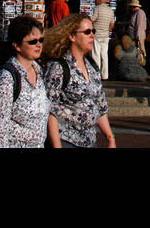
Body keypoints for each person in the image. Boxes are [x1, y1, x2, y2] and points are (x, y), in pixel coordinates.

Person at [42, 13, 117, 148]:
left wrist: (110, 137)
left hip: (89, 141)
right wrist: (56, 145)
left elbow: (100, 105)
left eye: (93, 31)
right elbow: (49, 110)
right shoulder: (59, 67)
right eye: (87, 32)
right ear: (72, 36)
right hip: (66, 139)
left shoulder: (92, 66)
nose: (92, 35)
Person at [0, 15, 49, 148]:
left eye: (41, 40)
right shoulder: (6, 78)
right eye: (32, 41)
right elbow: (0, 128)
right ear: (17, 45)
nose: (38, 45)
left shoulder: (39, 72)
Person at [90, 0, 115, 79]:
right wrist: (106, 31)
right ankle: (105, 75)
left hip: (97, 35)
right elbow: (112, 25)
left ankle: (96, 74)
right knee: (104, 55)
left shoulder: (97, 9)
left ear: (100, 0)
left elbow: (92, 20)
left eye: (96, 0)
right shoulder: (110, 11)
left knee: (96, 54)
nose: (95, 2)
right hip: (105, 36)